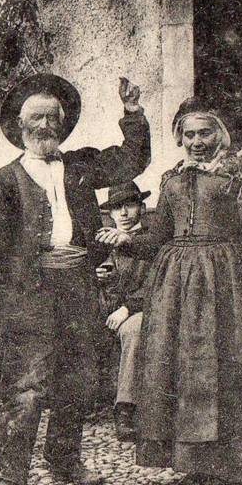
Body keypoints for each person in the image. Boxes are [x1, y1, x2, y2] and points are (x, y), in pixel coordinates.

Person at [0, 74, 150, 485]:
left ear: (63, 124)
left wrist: (133, 115)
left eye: (52, 117)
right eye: (35, 118)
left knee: (77, 380)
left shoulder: (82, 166)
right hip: (29, 295)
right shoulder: (6, 179)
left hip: (78, 290)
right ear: (20, 126)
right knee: (24, 387)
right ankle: (8, 480)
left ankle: (64, 457)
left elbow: (132, 159)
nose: (45, 125)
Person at [96, 97, 242, 485]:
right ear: (180, 137)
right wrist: (127, 239)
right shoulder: (171, 179)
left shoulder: (236, 174)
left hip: (222, 281)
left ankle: (229, 476)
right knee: (181, 372)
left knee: (221, 370)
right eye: (189, 134)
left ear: (220, 135)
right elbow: (158, 234)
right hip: (174, 285)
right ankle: (193, 471)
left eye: (205, 133)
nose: (197, 142)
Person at [95, 181, 153, 441]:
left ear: (141, 207)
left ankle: (125, 409)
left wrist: (128, 308)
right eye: (116, 208)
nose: (124, 214)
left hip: (143, 311)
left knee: (134, 330)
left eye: (129, 205)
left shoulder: (151, 240)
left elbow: (157, 283)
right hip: (107, 312)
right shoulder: (103, 241)